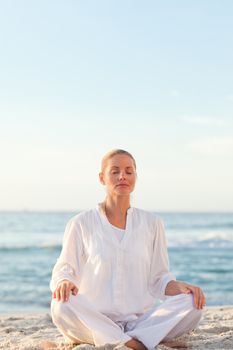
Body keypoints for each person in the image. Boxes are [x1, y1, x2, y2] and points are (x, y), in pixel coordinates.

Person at [50, 149, 205, 350]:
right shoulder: (80, 223)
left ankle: (124, 339)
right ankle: (139, 344)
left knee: (193, 302)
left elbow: (159, 279)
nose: (122, 176)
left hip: (140, 322)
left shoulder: (152, 223)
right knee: (61, 304)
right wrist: (64, 281)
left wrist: (181, 287)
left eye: (128, 171)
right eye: (114, 171)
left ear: (135, 177)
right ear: (102, 178)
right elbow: (65, 268)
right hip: (94, 319)